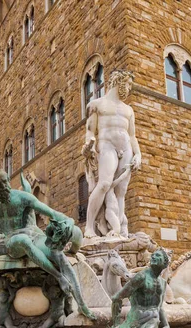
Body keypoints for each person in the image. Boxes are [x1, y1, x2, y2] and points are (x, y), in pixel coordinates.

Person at [0, 169, 95, 321]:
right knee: (22, 240)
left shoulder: (22, 197)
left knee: (57, 253)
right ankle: (59, 278)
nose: (5, 186)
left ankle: (82, 305)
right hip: (13, 241)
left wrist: (68, 222)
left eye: (6, 181)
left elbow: (52, 214)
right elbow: (1, 229)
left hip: (35, 236)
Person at [82, 69, 141, 238]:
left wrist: (138, 155)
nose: (129, 89)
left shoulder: (128, 110)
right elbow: (90, 131)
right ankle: (89, 228)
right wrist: (89, 145)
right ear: (119, 82)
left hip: (127, 147)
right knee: (105, 184)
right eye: (128, 84)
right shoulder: (96, 104)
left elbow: (132, 135)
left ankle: (119, 230)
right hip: (107, 145)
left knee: (121, 190)